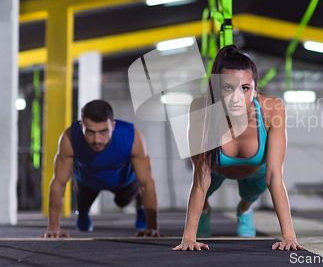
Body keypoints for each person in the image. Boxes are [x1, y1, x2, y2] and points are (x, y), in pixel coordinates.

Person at [173, 45, 303, 251]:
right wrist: (189, 237)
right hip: (213, 169)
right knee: (203, 192)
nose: (236, 98)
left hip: (255, 172)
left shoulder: (273, 109)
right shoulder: (201, 110)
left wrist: (289, 236)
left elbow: (274, 177)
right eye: (227, 88)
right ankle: (204, 210)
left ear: (255, 89)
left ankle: (244, 209)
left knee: (250, 195)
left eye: (244, 88)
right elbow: (200, 179)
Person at [40, 100, 163, 238]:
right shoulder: (70, 138)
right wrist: (53, 228)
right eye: (90, 132)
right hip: (87, 181)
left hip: (123, 182)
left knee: (136, 188)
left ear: (113, 125)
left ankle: (141, 210)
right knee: (83, 217)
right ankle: (83, 212)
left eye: (103, 132)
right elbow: (59, 183)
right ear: (82, 127)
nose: (97, 140)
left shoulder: (132, 138)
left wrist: (152, 227)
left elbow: (147, 183)